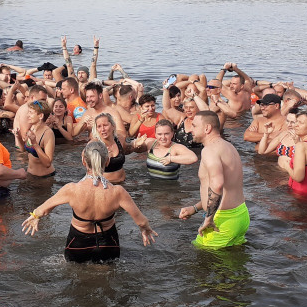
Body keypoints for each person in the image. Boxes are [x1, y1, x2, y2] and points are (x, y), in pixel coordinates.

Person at [21, 140, 156, 262]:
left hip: (78, 243)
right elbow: (141, 221)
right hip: (108, 243)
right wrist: (145, 229)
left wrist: (35, 216)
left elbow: (42, 210)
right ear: (107, 161)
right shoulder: (118, 192)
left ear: (84, 161)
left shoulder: (72, 189)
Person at [178, 110, 249, 248]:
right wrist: (195, 208)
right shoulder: (229, 146)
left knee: (201, 260)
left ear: (207, 128)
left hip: (222, 220)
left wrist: (208, 219)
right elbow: (226, 188)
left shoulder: (209, 150)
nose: (191, 130)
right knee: (231, 265)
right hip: (241, 215)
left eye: (194, 125)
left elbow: (217, 185)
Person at [134, 118, 199, 180]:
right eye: (159, 134)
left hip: (170, 188)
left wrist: (171, 159)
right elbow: (130, 150)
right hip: (151, 186)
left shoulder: (176, 148)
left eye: (166, 134)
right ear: (155, 134)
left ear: (172, 134)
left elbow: (193, 158)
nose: (163, 137)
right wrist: (135, 144)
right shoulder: (150, 143)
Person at [22, 100, 56, 177]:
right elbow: (23, 150)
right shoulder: (32, 127)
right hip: (30, 175)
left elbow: (47, 163)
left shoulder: (48, 133)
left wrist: (34, 143)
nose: (27, 115)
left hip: (44, 179)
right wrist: (17, 137)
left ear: (40, 116)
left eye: (31, 112)